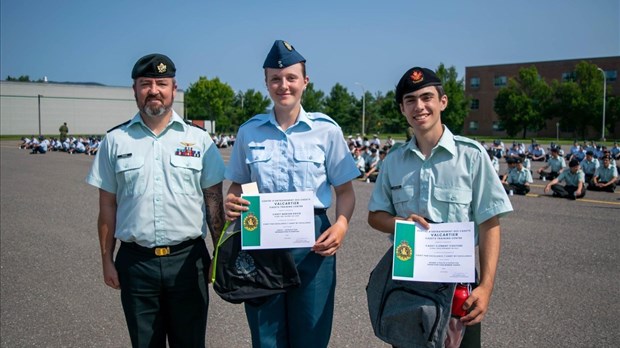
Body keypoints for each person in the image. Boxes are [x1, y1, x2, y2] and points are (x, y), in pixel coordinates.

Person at [223, 40, 359, 348]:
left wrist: (340, 225)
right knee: (266, 336)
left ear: (305, 82)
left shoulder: (327, 131)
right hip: (261, 242)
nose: (283, 85)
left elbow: (346, 191)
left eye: (291, 78)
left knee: (311, 333)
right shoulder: (249, 132)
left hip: (313, 245)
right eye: (275, 79)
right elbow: (237, 186)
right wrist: (232, 202)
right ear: (266, 83)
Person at [85, 53, 225, 347]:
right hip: (137, 265)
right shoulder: (115, 141)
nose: (153, 90)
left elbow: (214, 203)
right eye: (145, 83)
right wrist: (106, 260)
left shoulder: (199, 140)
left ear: (174, 89)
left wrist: (221, 256)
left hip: (188, 262)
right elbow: (107, 207)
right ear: (134, 89)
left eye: (162, 83)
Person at [367, 67, 513, 347]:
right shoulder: (394, 161)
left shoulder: (470, 156)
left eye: (426, 97)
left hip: (458, 284)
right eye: (410, 100)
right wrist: (401, 223)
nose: (419, 106)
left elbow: (489, 224)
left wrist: (486, 286)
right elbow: (375, 216)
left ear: (442, 102)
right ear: (402, 109)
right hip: (408, 282)